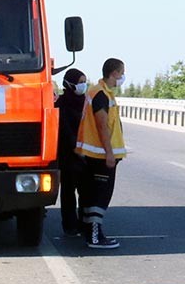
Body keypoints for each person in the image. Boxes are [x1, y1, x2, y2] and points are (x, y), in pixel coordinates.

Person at [76, 57, 128, 248]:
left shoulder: (99, 91)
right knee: (100, 196)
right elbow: (102, 125)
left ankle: (90, 232)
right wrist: (109, 153)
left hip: (95, 153)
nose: (122, 77)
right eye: (121, 73)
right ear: (114, 73)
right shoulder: (100, 94)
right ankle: (95, 237)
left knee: (91, 195)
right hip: (100, 155)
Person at [53, 67, 90, 236]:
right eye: (80, 82)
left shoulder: (87, 102)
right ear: (70, 83)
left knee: (86, 191)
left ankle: (84, 223)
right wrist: (76, 147)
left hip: (86, 153)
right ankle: (69, 225)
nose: (83, 85)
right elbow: (64, 129)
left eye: (84, 82)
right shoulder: (61, 103)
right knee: (68, 192)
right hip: (68, 154)